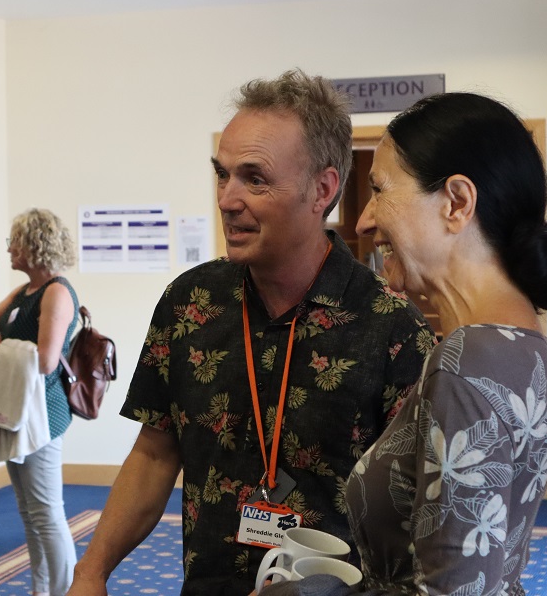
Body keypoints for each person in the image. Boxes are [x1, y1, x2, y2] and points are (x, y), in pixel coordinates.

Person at [67, 69, 436, 596]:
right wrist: (92, 570)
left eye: (254, 178)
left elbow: (422, 514)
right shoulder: (189, 304)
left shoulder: (390, 329)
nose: (226, 198)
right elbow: (153, 453)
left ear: (322, 189)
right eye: (223, 174)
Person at [265, 92, 547, 595]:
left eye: (379, 190)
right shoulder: (525, 343)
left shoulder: (468, 360)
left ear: (456, 203)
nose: (362, 220)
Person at [0, 208, 79, 596]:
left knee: (48, 513)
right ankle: (41, 589)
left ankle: (66, 591)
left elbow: (46, 361)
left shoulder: (58, 292)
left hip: (44, 416)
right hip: (18, 413)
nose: (10, 248)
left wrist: (0, 349)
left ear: (34, 246)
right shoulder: (23, 292)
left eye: (15, 241)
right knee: (30, 514)